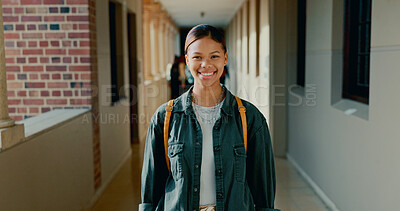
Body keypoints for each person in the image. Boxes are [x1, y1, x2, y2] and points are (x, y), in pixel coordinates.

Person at [140, 24, 279, 211]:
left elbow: (264, 191)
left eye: (214, 56)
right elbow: (151, 190)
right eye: (197, 57)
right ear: (187, 60)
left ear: (225, 59)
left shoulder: (250, 118)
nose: (206, 65)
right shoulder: (165, 118)